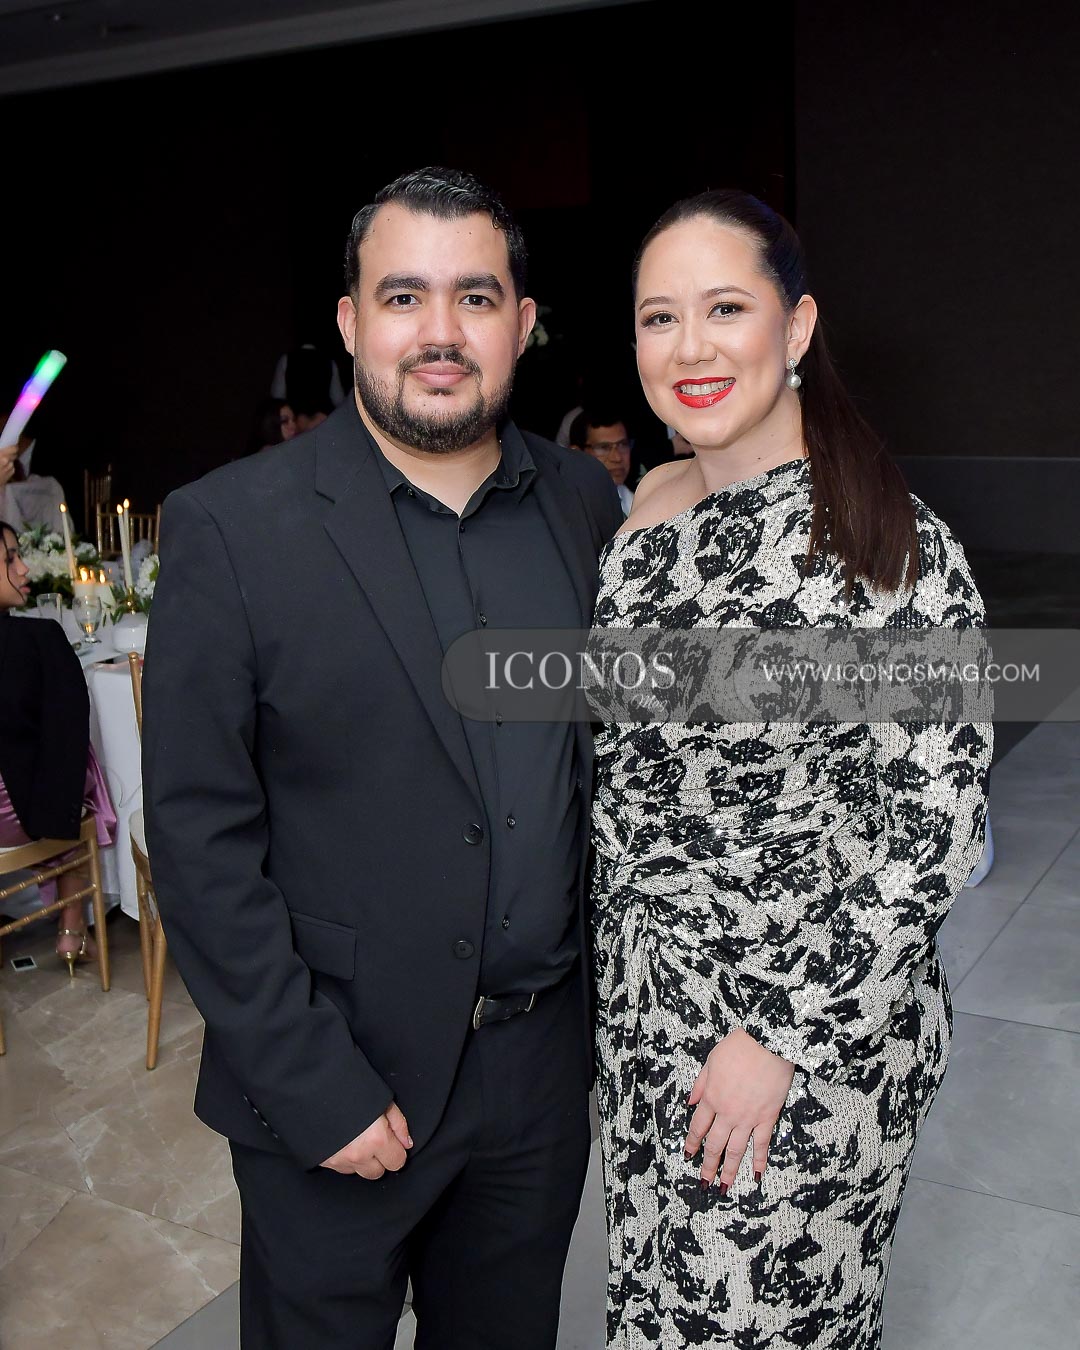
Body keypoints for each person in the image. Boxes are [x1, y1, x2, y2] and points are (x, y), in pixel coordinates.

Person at [143, 165, 624, 1350]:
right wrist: (314, 1086)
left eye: (476, 296)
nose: (440, 332)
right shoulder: (230, 527)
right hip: (339, 1082)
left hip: (535, 1081)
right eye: (404, 296)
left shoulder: (584, 504)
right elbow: (199, 839)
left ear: (521, 322)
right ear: (353, 322)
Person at [589, 190, 991, 1348]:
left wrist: (778, 1036)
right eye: (660, 317)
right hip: (645, 1027)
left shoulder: (885, 545)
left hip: (803, 1048)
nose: (691, 347)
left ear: (798, 325)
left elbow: (934, 834)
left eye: (726, 308)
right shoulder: (648, 511)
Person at [0, 520, 116, 966]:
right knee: (82, 769)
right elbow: (67, 740)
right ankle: (71, 928)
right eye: (10, 558)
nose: (24, 568)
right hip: (14, 820)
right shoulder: (38, 638)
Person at [568, 407, 635, 516]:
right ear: (576, 453)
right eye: (603, 447)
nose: (617, 458)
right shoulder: (565, 506)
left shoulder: (639, 502)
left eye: (623, 445)